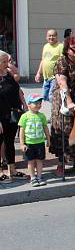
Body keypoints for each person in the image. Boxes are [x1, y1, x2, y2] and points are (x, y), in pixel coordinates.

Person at [50, 36, 75, 177]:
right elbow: (62, 82)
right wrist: (68, 101)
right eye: (73, 48)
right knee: (64, 130)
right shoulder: (62, 61)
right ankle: (61, 163)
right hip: (63, 97)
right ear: (67, 50)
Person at [0, 50, 26, 180]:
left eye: (7, 61)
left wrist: (24, 106)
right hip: (1, 116)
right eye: (3, 62)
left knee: (10, 142)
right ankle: (0, 172)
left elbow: (17, 88)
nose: (6, 64)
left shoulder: (9, 74)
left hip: (12, 114)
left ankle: (12, 170)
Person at [18, 94, 50, 187]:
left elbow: (45, 128)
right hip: (29, 143)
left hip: (40, 143)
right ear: (28, 104)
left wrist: (48, 139)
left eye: (40, 103)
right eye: (35, 103)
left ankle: (39, 177)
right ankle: (33, 177)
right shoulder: (25, 116)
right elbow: (21, 131)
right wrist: (21, 144)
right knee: (30, 161)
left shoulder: (42, 116)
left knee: (40, 160)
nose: (38, 105)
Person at [34, 29, 63, 102]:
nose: (51, 37)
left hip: (55, 76)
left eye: (53, 35)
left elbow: (62, 60)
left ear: (57, 37)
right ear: (46, 37)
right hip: (46, 77)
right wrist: (38, 73)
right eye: (49, 36)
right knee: (44, 96)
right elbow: (43, 60)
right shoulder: (46, 46)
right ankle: (56, 106)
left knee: (51, 96)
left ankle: (55, 111)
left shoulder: (60, 46)